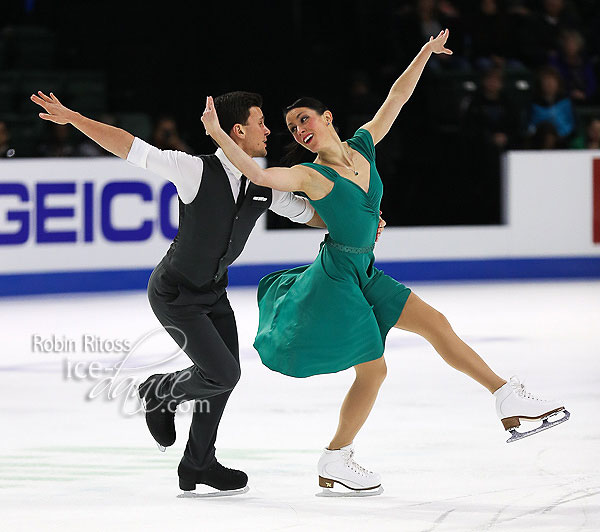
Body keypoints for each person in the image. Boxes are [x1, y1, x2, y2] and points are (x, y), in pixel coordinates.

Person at [201, 29, 569, 494]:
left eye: (304, 119)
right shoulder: (309, 174)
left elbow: (396, 98)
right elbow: (256, 172)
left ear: (326, 116)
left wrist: (424, 54)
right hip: (336, 278)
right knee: (374, 370)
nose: (299, 130)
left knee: (436, 323)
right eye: (292, 128)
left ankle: (505, 397)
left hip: (363, 271)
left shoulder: (363, 146)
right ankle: (336, 458)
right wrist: (217, 133)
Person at [30, 90, 375, 495]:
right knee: (222, 372)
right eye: (260, 122)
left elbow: (311, 214)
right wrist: (74, 118)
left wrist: (363, 222)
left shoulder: (264, 185)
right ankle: (158, 391)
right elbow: (127, 145)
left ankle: (197, 464)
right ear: (237, 130)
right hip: (175, 292)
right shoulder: (194, 170)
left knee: (224, 377)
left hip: (213, 293)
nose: (268, 130)